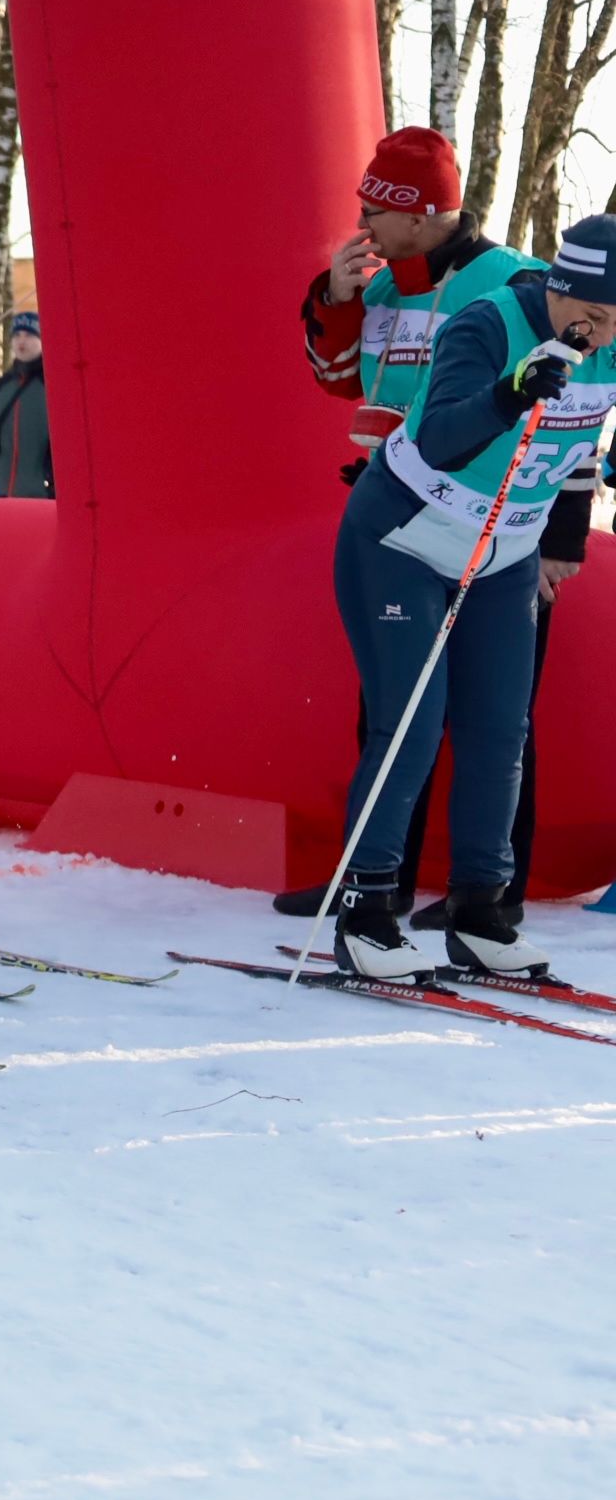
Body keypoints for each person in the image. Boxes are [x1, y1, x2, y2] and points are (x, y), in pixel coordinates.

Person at [326, 216, 613, 983]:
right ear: (567, 291)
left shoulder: (609, 343)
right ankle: (367, 911)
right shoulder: (487, 325)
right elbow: (440, 438)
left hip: (503, 552)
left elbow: (585, 443)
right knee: (412, 727)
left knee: (500, 732)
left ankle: (481, 911)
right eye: (604, 316)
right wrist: (510, 393)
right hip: (405, 541)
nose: (608, 334)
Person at [286, 127, 551, 925]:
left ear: (426, 212)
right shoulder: (381, 285)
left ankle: (493, 889)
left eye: (377, 206)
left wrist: (563, 536)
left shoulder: (514, 282)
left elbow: (567, 404)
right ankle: (377, 879)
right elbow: (335, 381)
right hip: (396, 517)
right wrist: (329, 300)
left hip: (495, 523)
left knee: (496, 716)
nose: (361, 219)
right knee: (394, 709)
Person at [0, 310, 52, 499]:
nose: (22, 341)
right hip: (4, 492)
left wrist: (52, 474)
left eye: (29, 335)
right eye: (17, 335)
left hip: (43, 495)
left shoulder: (53, 384)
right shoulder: (2, 384)